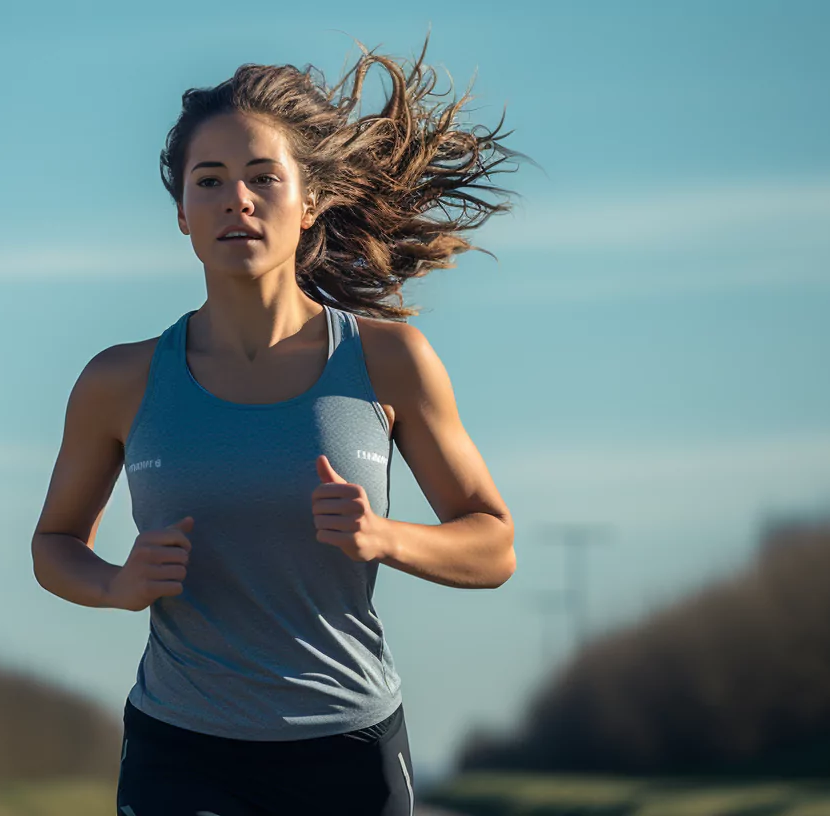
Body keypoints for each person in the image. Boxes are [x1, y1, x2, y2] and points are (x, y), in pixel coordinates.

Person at [31, 37, 525, 816]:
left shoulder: (390, 362)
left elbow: (494, 544)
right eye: (211, 181)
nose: (239, 200)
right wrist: (118, 585)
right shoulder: (118, 382)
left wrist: (387, 537)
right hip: (180, 747)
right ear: (184, 214)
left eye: (264, 178)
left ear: (311, 200)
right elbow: (53, 544)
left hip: (348, 750)